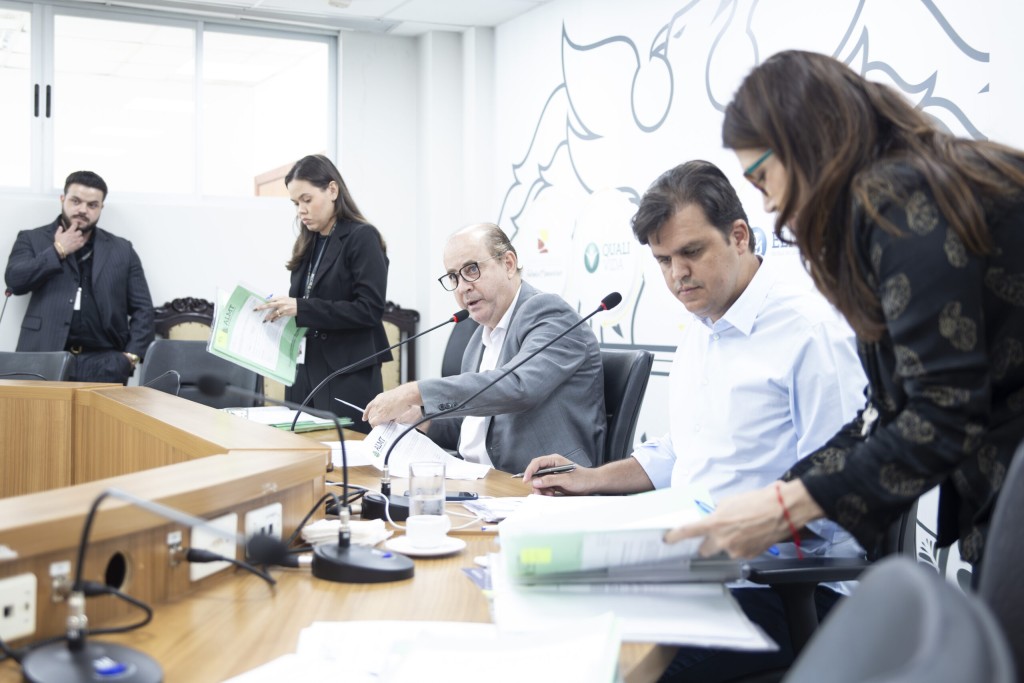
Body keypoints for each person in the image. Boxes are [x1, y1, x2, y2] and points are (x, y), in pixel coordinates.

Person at [666, 50, 1024, 575]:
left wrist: (787, 506)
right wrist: (781, 498)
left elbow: (943, 411)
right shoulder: (910, 188)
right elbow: (887, 413)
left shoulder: (900, 202)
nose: (768, 205)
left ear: (807, 144)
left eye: (763, 178)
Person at [522, 160, 867, 681]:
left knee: (605, 668)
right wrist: (588, 479)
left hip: (787, 587)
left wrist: (733, 531)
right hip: (698, 572)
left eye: (691, 252)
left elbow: (844, 495)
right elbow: (683, 450)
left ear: (739, 236)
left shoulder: (809, 331)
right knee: (548, 623)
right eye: (662, 260)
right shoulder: (704, 325)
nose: (676, 275)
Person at [362, 223, 606, 474]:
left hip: (543, 482)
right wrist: (423, 420)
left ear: (508, 264)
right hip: (477, 478)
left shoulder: (549, 313)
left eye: (471, 269)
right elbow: (472, 425)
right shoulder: (479, 337)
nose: (462, 287)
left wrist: (413, 392)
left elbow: (518, 387)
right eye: (454, 277)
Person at [255, 155, 390, 433]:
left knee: (346, 451)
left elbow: (369, 309)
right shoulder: (308, 242)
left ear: (332, 190)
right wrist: (281, 312)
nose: (301, 210)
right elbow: (305, 301)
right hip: (304, 369)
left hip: (347, 372)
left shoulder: (362, 237)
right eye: (295, 203)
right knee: (300, 447)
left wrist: (301, 308)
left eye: (307, 199)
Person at [4, 170, 154, 383]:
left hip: (106, 363)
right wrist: (58, 250)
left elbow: (143, 309)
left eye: (92, 205)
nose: (83, 210)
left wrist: (130, 356)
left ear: (101, 208)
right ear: (62, 199)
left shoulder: (122, 249)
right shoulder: (31, 238)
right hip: (42, 357)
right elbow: (15, 282)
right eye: (76, 201)